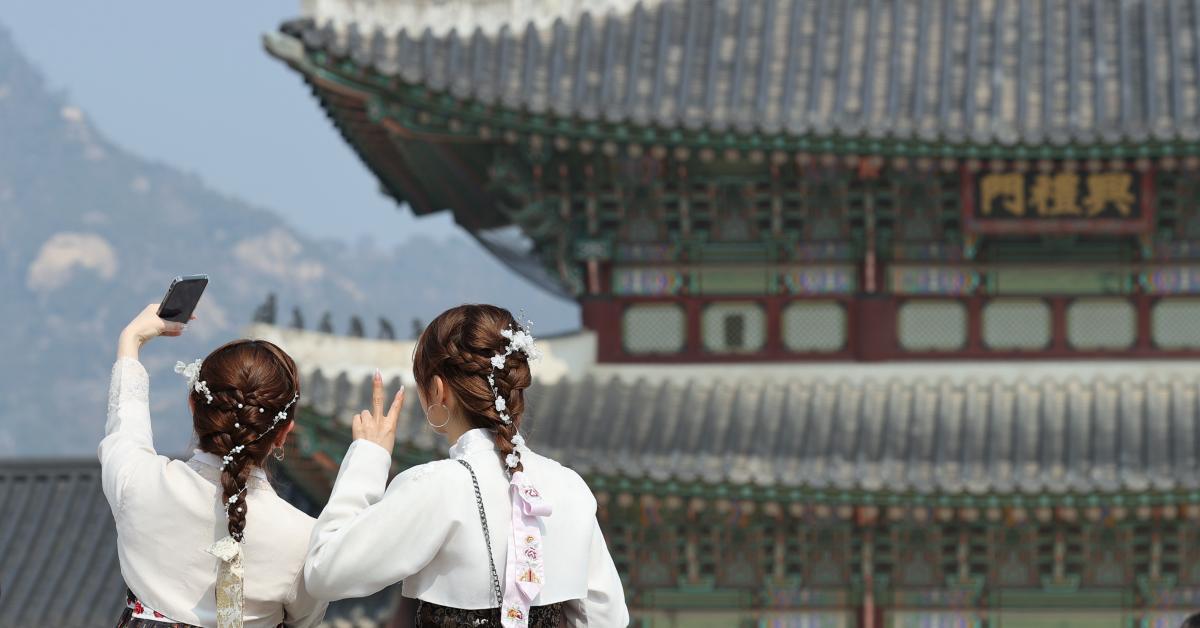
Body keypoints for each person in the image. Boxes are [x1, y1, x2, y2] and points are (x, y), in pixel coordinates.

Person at [304, 304, 628, 627]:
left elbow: (324, 572)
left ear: (438, 391)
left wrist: (369, 456)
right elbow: (607, 618)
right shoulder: (570, 487)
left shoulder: (434, 487)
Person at [101, 303, 326, 627]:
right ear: (283, 433)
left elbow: (125, 426)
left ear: (194, 405)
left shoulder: (137, 482)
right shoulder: (303, 538)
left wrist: (131, 340)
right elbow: (305, 620)